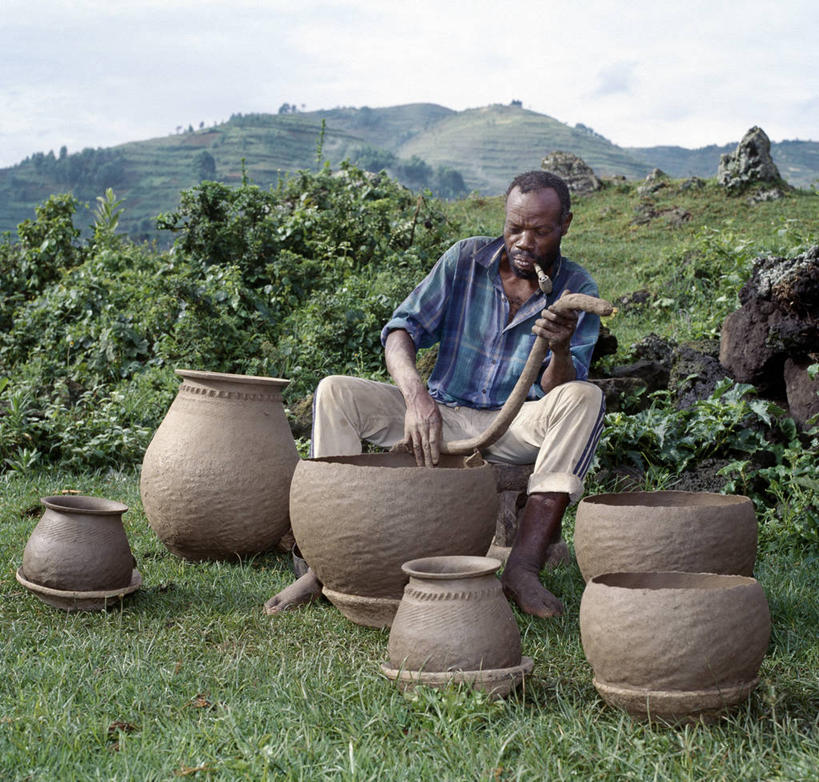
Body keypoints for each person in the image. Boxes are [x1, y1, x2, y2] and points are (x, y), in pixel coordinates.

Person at [265, 170, 605, 618]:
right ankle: (325, 565)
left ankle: (522, 570)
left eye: (540, 232)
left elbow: (556, 387)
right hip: (439, 413)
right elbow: (401, 331)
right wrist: (416, 398)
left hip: (513, 424)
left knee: (586, 398)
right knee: (335, 392)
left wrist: (559, 347)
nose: (524, 242)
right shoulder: (465, 259)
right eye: (514, 228)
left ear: (565, 225)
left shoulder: (576, 289)